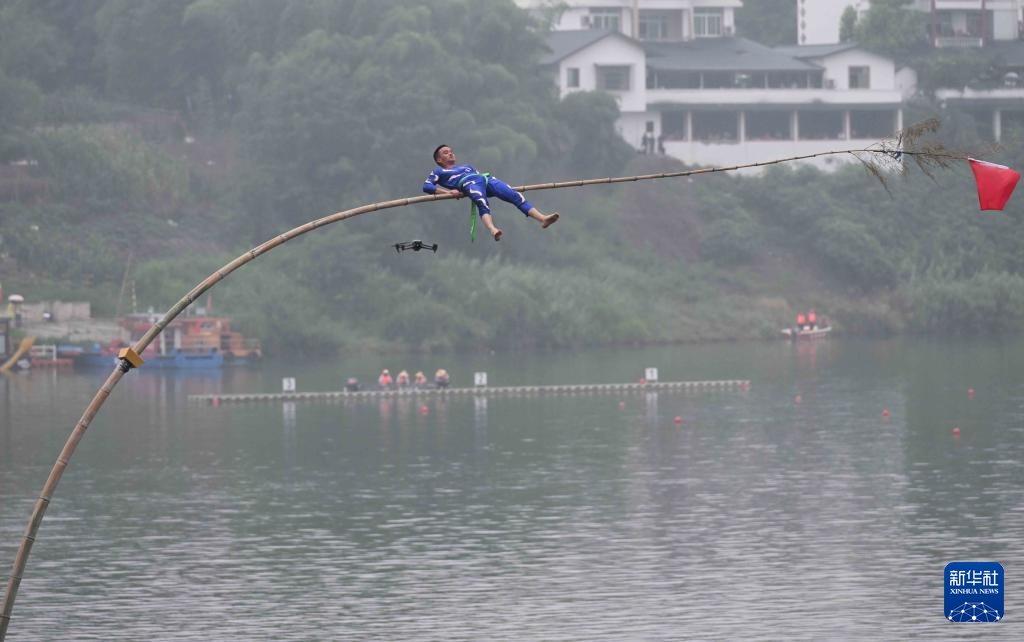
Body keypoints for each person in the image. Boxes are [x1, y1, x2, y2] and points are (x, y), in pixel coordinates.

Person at [423, 145, 559, 241]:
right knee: (482, 202)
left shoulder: (467, 166)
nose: (451, 153)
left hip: (485, 179)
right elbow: (427, 187)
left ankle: (542, 218)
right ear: (439, 160)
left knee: (515, 195)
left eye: (451, 151)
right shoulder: (438, 171)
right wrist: (448, 193)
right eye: (446, 153)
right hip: (469, 184)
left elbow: (480, 178)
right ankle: (493, 229)